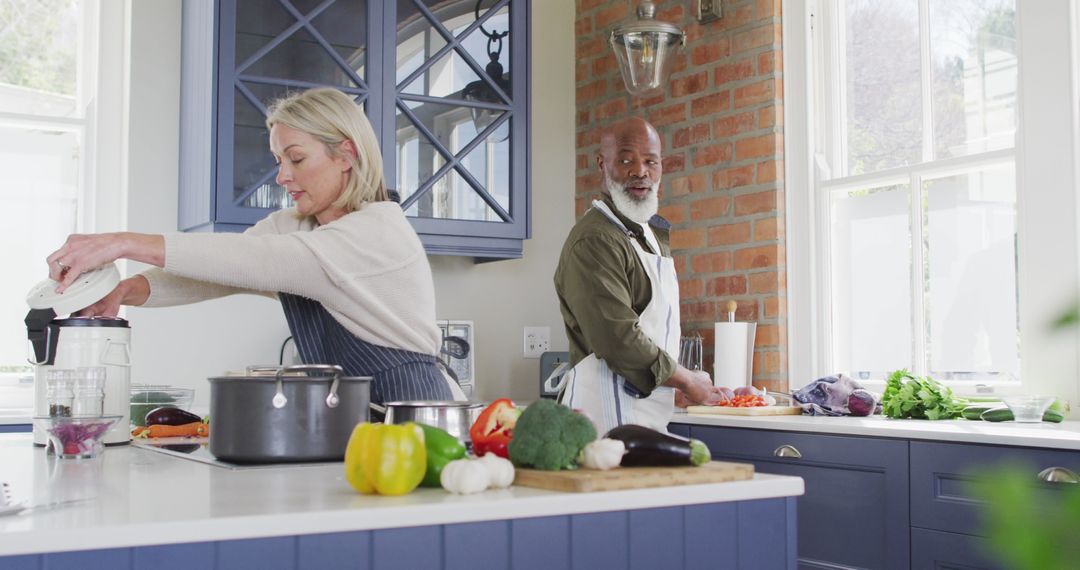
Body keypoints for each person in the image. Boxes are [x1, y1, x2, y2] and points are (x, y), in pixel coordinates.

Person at [45, 87, 461, 404]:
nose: (282, 177)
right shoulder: (298, 226)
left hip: (414, 410)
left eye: (296, 159)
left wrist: (121, 242)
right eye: (279, 161)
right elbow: (217, 273)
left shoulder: (376, 230)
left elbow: (255, 259)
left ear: (346, 155)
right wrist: (122, 291)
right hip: (350, 412)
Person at [553, 116, 726, 434]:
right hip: (599, 421)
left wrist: (673, 388)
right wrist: (687, 380)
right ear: (603, 164)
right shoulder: (596, 240)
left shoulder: (648, 235)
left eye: (650, 161)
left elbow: (653, 336)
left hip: (642, 416)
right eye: (625, 159)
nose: (640, 171)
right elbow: (619, 340)